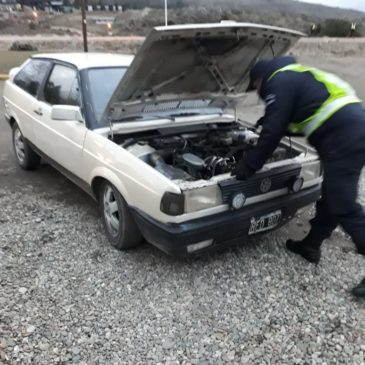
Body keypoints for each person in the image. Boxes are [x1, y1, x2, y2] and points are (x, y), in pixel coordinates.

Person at [233, 56, 365, 298]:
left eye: (255, 88)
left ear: (260, 79)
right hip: (350, 129)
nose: (258, 93)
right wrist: (272, 121)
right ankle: (311, 245)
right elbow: (303, 115)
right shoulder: (294, 75)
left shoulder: (277, 81)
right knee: (332, 197)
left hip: (343, 136)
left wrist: (249, 165)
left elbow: (273, 133)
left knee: (343, 204)